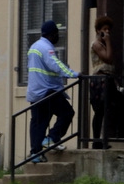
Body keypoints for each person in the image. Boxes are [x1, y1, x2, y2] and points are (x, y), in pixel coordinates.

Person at [26, 19, 78, 160]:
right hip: (47, 90)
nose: (58, 36)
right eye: (57, 33)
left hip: (35, 92)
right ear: (52, 34)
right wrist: (75, 74)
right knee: (67, 113)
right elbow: (56, 65)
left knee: (38, 123)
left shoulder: (34, 47)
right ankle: (51, 138)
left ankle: (35, 153)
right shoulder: (47, 48)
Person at [88, 15, 117, 149]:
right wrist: (109, 41)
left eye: (109, 30)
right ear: (99, 30)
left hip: (108, 79)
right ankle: (96, 140)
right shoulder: (96, 44)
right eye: (105, 29)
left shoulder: (105, 44)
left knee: (108, 109)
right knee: (99, 111)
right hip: (99, 80)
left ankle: (104, 138)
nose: (107, 32)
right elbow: (108, 58)